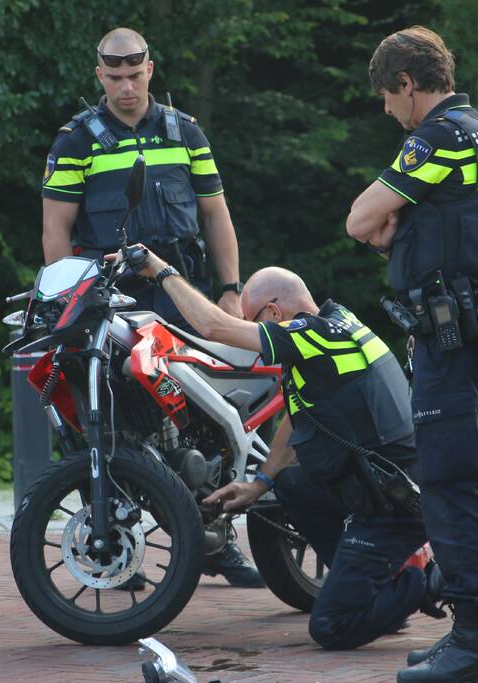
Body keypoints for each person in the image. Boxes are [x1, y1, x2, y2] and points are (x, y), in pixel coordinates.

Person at [127, 246, 445, 650]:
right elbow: (301, 415)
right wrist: (259, 484)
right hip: (384, 484)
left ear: (275, 314)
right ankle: (377, 585)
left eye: (253, 320)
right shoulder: (337, 321)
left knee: (330, 627)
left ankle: (424, 580)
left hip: (391, 506)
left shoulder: (312, 335)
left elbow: (213, 327)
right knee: (290, 484)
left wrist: (159, 270)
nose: (250, 332)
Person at [41, 27, 261, 588]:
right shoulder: (76, 140)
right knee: (116, 425)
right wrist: (72, 299)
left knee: (200, 425)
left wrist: (231, 289)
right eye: (114, 78)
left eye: (134, 76)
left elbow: (216, 214)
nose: (125, 88)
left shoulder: (185, 130)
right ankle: (121, 545)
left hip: (181, 297)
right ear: (99, 77)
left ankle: (217, 539)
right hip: (111, 303)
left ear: (151, 71)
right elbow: (56, 230)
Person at [345, 26, 478, 682]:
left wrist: (392, 229)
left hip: (454, 338)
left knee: (450, 482)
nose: (386, 110)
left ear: (406, 85)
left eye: (386, 97)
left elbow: (359, 218)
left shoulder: (439, 135)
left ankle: (474, 640)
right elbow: (457, 226)